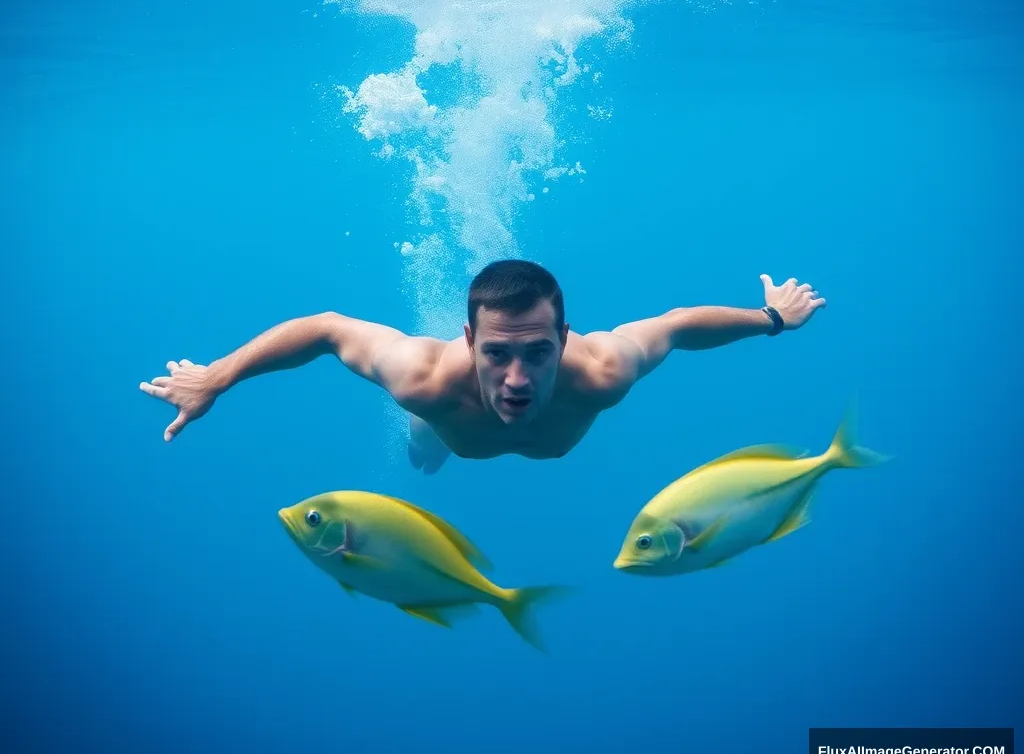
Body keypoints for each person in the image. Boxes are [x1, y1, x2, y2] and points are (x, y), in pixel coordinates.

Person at [139, 260, 826, 474]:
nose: (518, 379)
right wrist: (218, 376)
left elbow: (676, 329)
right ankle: (422, 440)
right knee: (424, 437)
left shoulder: (604, 370)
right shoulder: (425, 376)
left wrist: (772, 320)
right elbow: (325, 330)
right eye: (497, 353)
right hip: (446, 424)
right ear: (468, 340)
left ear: (565, 337)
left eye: (538, 352)